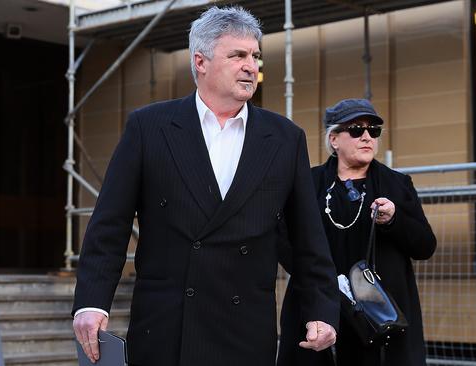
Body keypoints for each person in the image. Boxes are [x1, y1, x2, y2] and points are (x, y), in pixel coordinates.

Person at [72, 6, 339, 366]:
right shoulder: (150, 127)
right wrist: (91, 301)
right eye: (238, 55)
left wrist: (321, 307)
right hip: (167, 328)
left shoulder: (285, 138)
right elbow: (109, 225)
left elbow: (308, 238)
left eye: (256, 56)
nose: (251, 66)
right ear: (200, 61)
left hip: (245, 330)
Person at [277, 99, 436, 366]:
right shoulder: (309, 183)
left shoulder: (396, 184)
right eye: (356, 129)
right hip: (321, 307)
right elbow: (283, 242)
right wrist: (319, 279)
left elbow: (425, 246)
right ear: (334, 139)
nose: (366, 136)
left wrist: (395, 219)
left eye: (373, 130)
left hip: (379, 314)